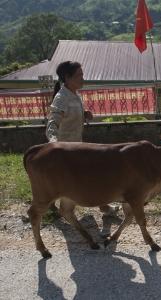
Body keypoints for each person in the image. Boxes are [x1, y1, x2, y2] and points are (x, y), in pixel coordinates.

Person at [46, 61, 117, 216]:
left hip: (78, 147)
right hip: (65, 151)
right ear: (68, 77)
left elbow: (70, 114)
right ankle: (103, 206)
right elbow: (52, 124)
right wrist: (53, 144)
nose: (83, 78)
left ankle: (50, 205)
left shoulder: (75, 95)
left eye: (82, 75)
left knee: (86, 176)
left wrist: (85, 113)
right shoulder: (61, 98)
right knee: (94, 174)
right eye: (79, 75)